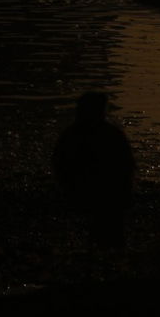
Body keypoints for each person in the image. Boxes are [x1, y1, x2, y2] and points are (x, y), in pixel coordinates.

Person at [53, 91, 135, 249]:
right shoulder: (112, 134)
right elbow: (127, 167)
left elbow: (59, 164)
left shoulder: (72, 134)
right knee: (110, 231)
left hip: (90, 192)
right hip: (106, 193)